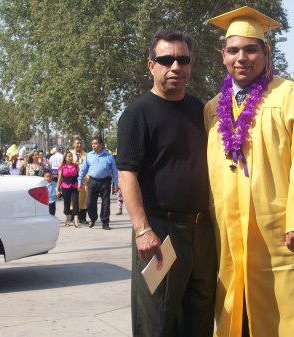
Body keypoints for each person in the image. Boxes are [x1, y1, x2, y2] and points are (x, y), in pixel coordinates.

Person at [205, 7, 294, 337]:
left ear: (266, 53)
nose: (242, 57)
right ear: (223, 56)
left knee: (287, 317)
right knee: (236, 314)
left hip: (282, 235)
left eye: (251, 49)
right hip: (230, 234)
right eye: (234, 50)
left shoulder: (289, 95)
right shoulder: (212, 109)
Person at [116, 29, 216, 337]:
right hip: (161, 235)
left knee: (199, 321)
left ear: (191, 64)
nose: (175, 66)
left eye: (182, 59)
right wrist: (142, 229)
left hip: (203, 233)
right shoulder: (137, 114)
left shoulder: (202, 111)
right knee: (156, 324)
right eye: (166, 59)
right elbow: (126, 173)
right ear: (151, 65)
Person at [78, 136, 118, 230]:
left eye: (95, 144)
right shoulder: (89, 155)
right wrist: (80, 181)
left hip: (105, 181)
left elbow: (114, 171)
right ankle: (93, 218)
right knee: (90, 202)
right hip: (92, 181)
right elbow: (83, 170)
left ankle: (105, 222)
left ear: (101, 145)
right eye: (92, 144)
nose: (93, 146)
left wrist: (116, 183)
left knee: (106, 203)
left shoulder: (109, 156)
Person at [57, 151, 80, 227]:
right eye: (68, 156)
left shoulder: (75, 166)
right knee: (67, 202)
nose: (70, 158)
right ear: (65, 158)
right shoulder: (62, 167)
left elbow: (79, 176)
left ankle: (76, 219)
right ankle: (67, 218)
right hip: (65, 186)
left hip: (74, 186)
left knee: (75, 202)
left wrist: (81, 184)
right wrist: (57, 189)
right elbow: (59, 179)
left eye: (71, 156)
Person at [70, 137, 89, 224]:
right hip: (72, 180)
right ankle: (73, 216)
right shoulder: (69, 154)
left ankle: (83, 217)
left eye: (80, 143)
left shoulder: (86, 155)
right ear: (73, 144)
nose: (79, 145)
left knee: (83, 199)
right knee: (73, 199)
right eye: (77, 143)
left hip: (84, 180)